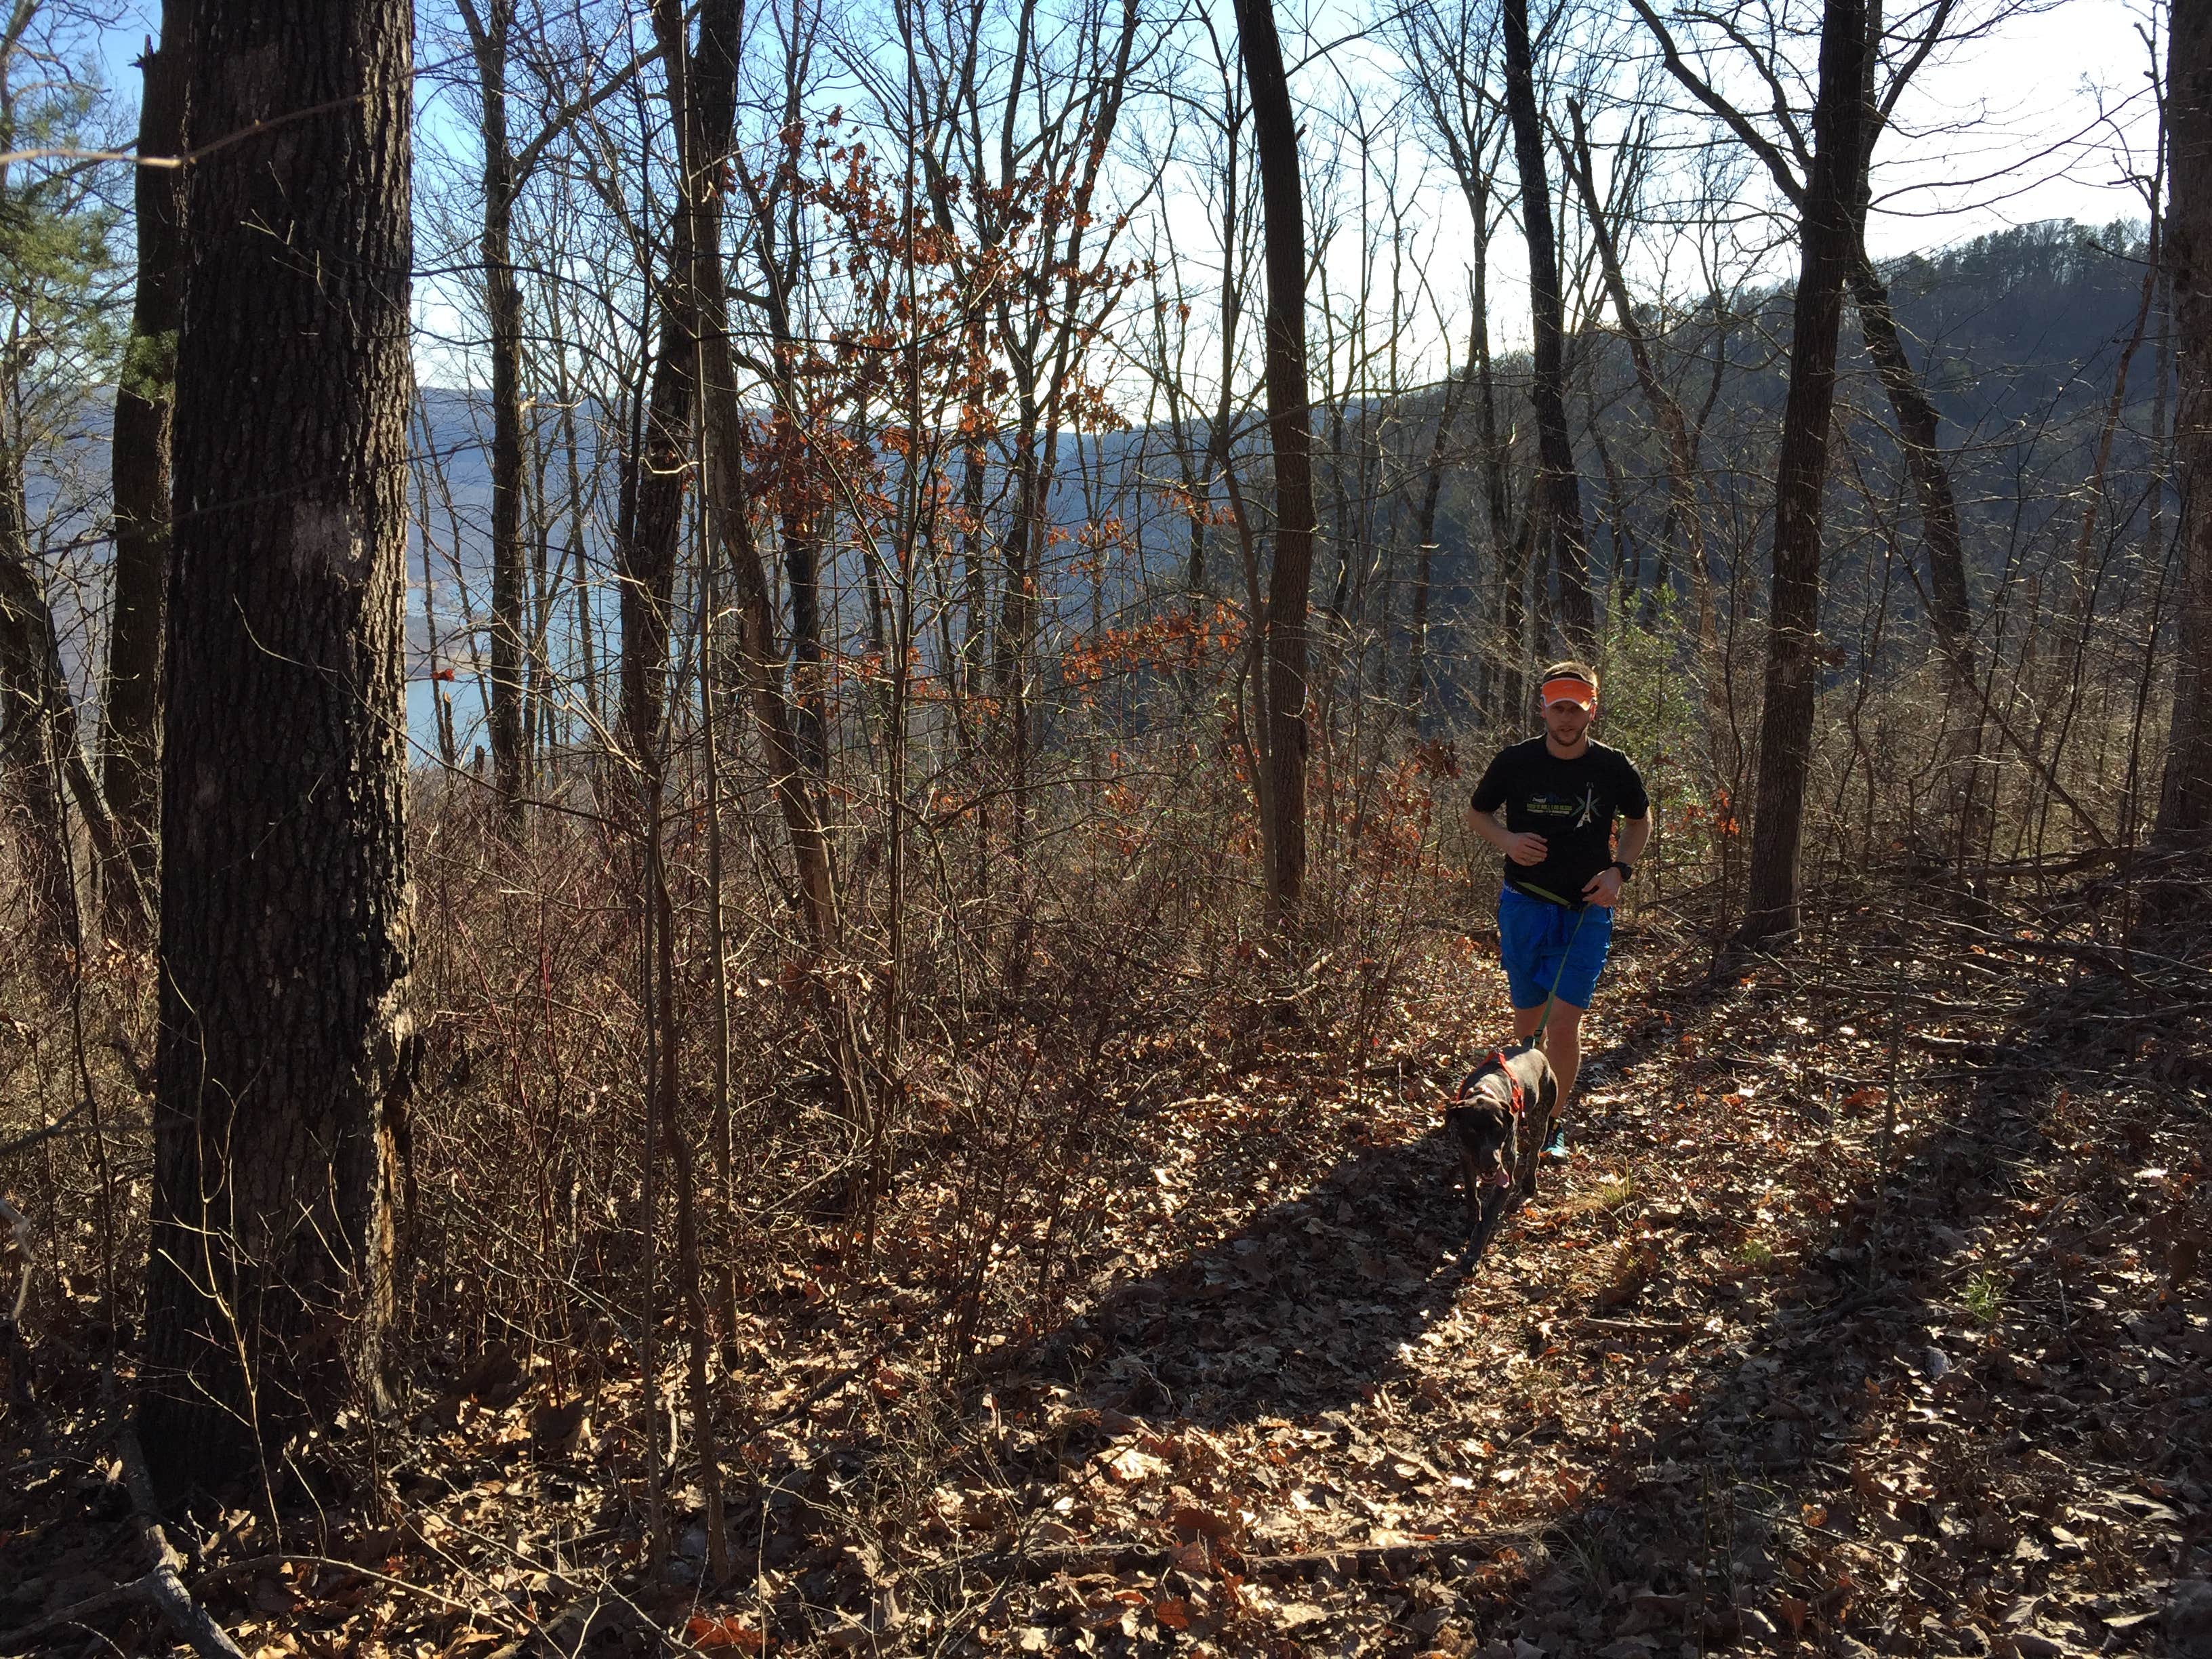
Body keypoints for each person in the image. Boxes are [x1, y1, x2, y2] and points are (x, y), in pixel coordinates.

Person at [1466, 660, 1652, 1159]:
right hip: (1524, 906)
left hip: (1585, 911)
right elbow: (1477, 812)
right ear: (1543, 709)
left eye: (1576, 708)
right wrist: (1507, 840)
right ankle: (1525, 1106)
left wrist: (1619, 871)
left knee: (1564, 1026)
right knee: (1528, 1027)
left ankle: (1548, 1124)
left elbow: (1640, 820)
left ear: (1593, 710)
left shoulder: (1612, 766)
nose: (1567, 718)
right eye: (1559, 708)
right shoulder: (1515, 761)